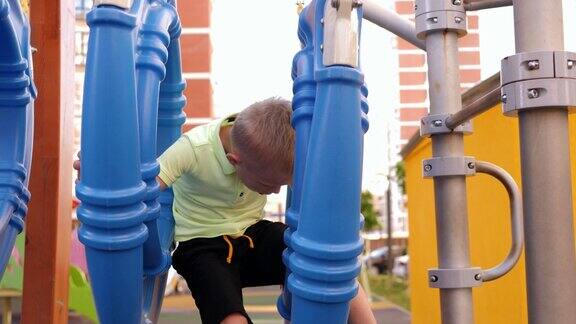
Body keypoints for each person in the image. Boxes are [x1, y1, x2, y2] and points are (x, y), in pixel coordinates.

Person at [76, 97, 376, 324]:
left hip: (253, 234)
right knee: (229, 316)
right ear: (235, 161)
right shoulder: (193, 148)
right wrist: (100, 176)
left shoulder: (271, 141)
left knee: (326, 263)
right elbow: (145, 187)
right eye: (268, 185)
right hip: (202, 246)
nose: (274, 192)